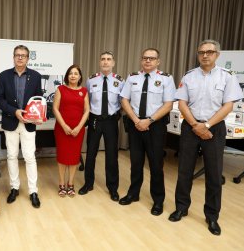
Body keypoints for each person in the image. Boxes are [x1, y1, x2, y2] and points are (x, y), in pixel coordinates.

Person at [168, 40, 243, 236]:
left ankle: (212, 216)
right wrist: (195, 125)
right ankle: (181, 208)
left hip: (214, 128)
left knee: (214, 174)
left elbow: (228, 106)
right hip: (191, 126)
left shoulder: (227, 77)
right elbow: (182, 103)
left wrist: (207, 125)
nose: (205, 55)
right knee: (184, 171)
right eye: (201, 52)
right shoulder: (189, 76)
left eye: (209, 52)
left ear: (217, 55)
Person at [119, 48, 176, 215]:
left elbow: (168, 104)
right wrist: (136, 120)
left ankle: (158, 200)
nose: (148, 61)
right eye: (145, 58)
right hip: (135, 124)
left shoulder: (166, 79)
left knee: (156, 164)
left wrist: (149, 120)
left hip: (155, 125)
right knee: (136, 162)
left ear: (158, 61)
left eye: (152, 58)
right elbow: (124, 99)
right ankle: (133, 193)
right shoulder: (132, 77)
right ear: (141, 60)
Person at [0, 45, 43, 208]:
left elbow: (38, 99)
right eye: (17, 55)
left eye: (23, 55)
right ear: (13, 57)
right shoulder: (4, 75)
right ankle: (14, 188)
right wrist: (14, 111)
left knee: (30, 157)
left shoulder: (36, 76)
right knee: (12, 156)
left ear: (28, 59)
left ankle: (33, 191)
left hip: (29, 124)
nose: (20, 58)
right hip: (11, 121)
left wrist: (38, 115)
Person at [78, 51, 124, 201]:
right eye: (103, 59)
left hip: (111, 121)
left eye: (108, 59)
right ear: (99, 62)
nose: (105, 62)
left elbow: (123, 103)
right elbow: (87, 102)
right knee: (91, 153)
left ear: (113, 63)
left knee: (112, 155)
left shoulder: (120, 81)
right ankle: (88, 183)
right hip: (95, 120)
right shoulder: (91, 80)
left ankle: (113, 188)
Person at [53, 65, 90, 197]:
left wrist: (80, 127)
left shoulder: (84, 91)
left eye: (76, 73)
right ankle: (62, 184)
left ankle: (71, 184)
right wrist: (64, 125)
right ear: (67, 76)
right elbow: (55, 109)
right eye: (70, 73)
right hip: (62, 129)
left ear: (80, 76)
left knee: (74, 157)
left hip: (78, 130)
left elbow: (87, 111)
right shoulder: (60, 89)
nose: (73, 76)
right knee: (62, 156)